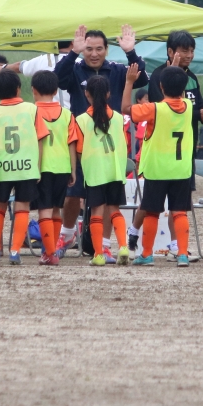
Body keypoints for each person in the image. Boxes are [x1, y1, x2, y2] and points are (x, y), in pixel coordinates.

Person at [127, 30, 203, 259]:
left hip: (183, 152)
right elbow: (165, 109)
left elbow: (192, 109)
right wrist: (199, 113)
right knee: (150, 205)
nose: (189, 55)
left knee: (179, 204)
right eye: (184, 50)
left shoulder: (192, 78)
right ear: (170, 51)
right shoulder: (159, 77)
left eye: (192, 51)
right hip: (160, 152)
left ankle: (175, 246)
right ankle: (134, 231)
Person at [54, 24, 149, 254]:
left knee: (106, 201)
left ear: (107, 49)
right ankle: (66, 235)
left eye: (99, 49)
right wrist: (73, 53)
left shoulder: (116, 70)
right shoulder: (75, 69)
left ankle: (104, 246)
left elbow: (141, 78)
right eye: (89, 49)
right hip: (82, 143)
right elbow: (57, 78)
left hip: (109, 146)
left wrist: (130, 52)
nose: (94, 54)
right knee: (73, 193)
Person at [123, 63, 195, 267]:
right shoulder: (189, 106)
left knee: (152, 211)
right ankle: (182, 253)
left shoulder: (154, 109)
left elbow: (126, 109)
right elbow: (178, 96)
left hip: (157, 169)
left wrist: (129, 82)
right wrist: (175, 72)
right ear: (183, 88)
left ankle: (147, 254)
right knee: (179, 211)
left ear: (161, 86)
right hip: (181, 169)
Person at [0, 69, 48, 265]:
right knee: (22, 207)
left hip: (3, 167)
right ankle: (15, 251)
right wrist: (38, 167)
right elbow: (40, 139)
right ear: (19, 89)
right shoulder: (31, 109)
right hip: (26, 167)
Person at [76, 75, 131, 266]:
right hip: (115, 171)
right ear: (108, 94)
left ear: (87, 94)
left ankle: (98, 254)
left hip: (95, 173)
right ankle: (123, 247)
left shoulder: (81, 120)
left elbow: (79, 149)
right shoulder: (119, 118)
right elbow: (125, 144)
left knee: (96, 214)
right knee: (115, 210)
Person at [31, 70, 78, 265]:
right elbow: (72, 143)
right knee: (56, 210)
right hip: (63, 167)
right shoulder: (67, 114)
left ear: (33, 90)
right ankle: (51, 251)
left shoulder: (31, 112)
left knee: (44, 210)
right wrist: (73, 170)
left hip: (41, 168)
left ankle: (50, 253)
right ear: (56, 91)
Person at [7, 42, 74, 109]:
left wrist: (2, 68)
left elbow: (19, 67)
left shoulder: (42, 60)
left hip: (43, 110)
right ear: (72, 42)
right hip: (72, 112)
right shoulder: (78, 63)